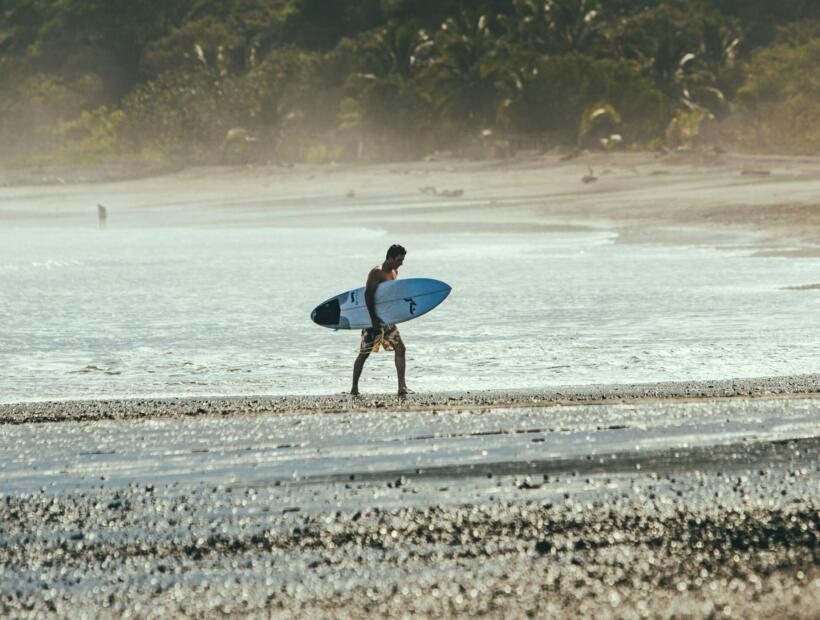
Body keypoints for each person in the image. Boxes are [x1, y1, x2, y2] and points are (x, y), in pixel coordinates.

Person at [351, 244, 410, 396]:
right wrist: (373, 319)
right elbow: (368, 296)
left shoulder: (395, 272)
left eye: (402, 260)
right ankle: (354, 388)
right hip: (373, 321)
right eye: (399, 260)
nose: (401, 263)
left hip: (387, 320)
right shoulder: (376, 272)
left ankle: (402, 387)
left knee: (400, 349)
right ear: (390, 258)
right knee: (364, 353)